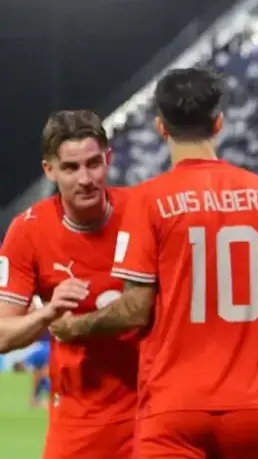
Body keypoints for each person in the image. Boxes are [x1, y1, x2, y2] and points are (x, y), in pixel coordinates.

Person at [50, 67, 258, 459]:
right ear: (219, 122)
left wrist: (75, 327)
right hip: (254, 402)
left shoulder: (148, 200)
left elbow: (136, 309)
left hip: (173, 409)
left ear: (160, 127)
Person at [0, 110, 138, 458]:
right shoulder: (28, 232)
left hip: (153, 414)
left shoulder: (143, 214)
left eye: (93, 163)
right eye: (71, 168)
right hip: (79, 424)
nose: (86, 178)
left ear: (108, 158)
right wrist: (48, 313)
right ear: (50, 170)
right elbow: (2, 334)